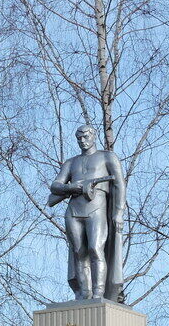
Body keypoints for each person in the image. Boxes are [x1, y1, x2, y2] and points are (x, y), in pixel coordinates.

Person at [47, 124, 126, 301]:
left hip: (97, 207)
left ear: (94, 136)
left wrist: (118, 212)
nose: (83, 141)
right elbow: (55, 185)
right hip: (74, 209)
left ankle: (98, 292)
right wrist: (70, 187)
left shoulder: (107, 157)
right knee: (79, 252)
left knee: (96, 249)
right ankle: (85, 293)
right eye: (79, 138)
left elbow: (120, 184)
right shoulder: (71, 162)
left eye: (86, 137)